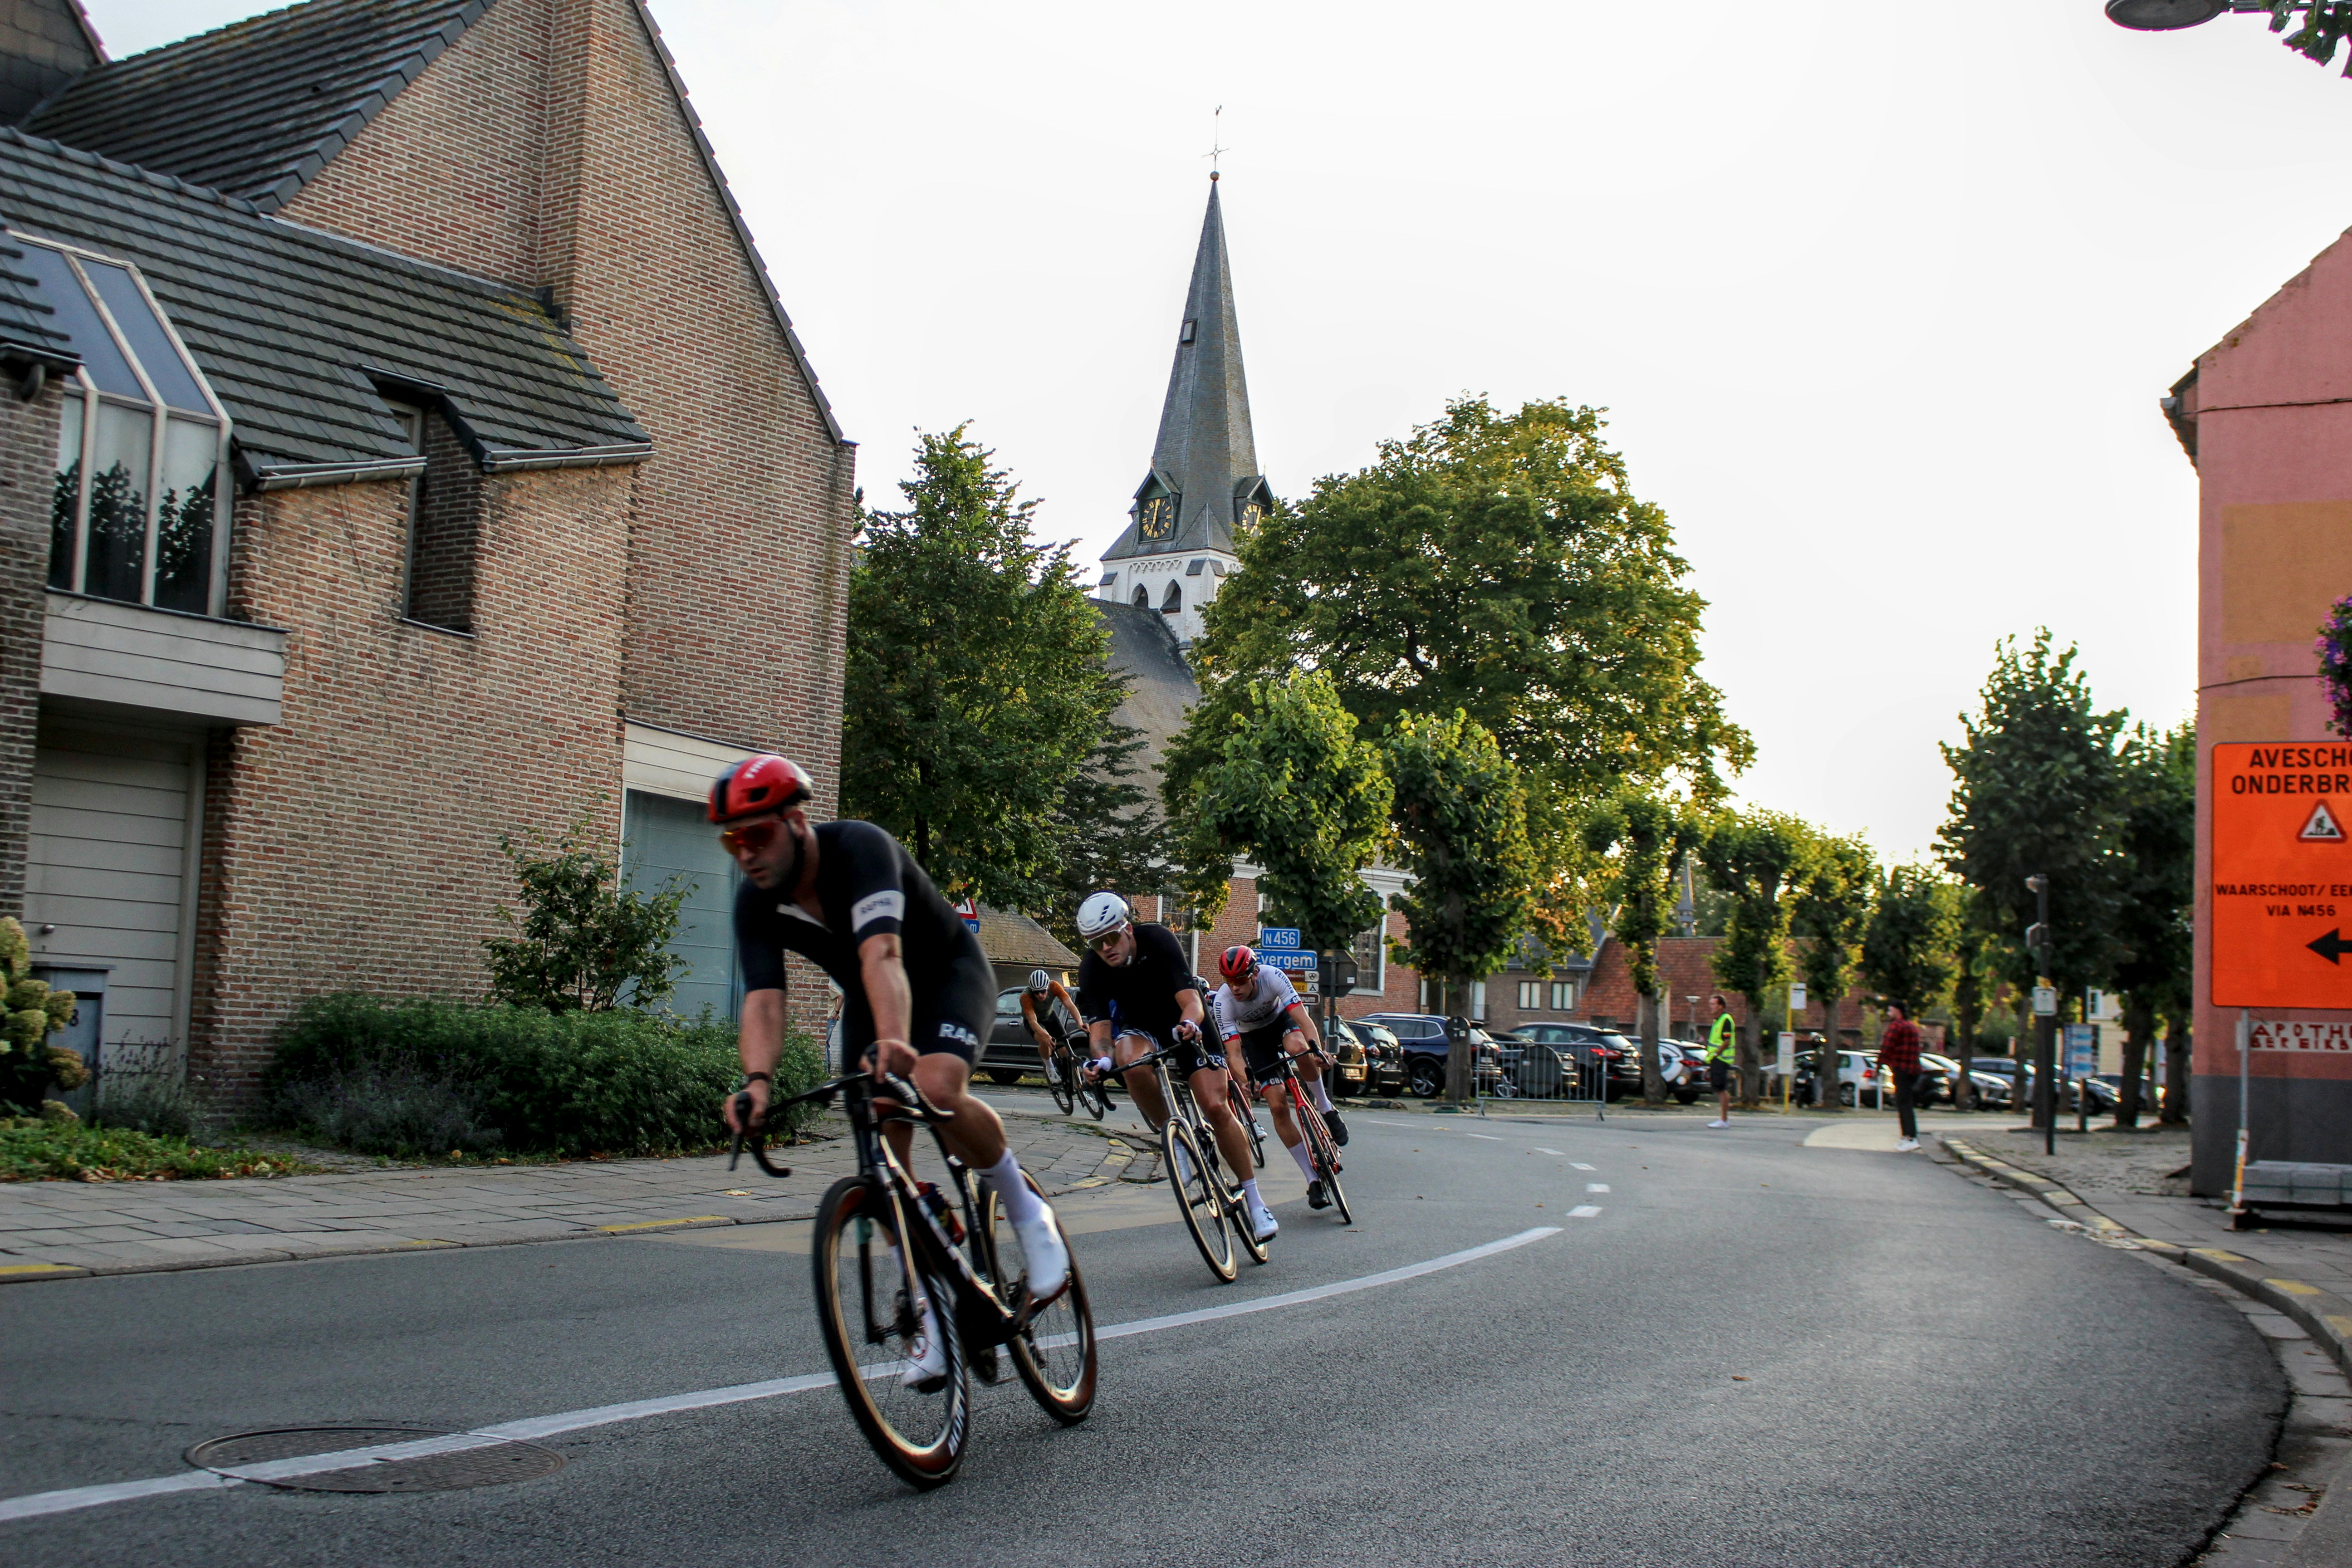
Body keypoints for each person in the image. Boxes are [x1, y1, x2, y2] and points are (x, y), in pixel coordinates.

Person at [713, 755, 1067, 1387]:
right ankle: (932, 1310)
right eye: (733, 840)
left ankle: (1027, 1211)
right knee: (881, 1166)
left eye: (757, 835)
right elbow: (764, 998)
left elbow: (882, 952)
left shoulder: (859, 848)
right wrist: (757, 1083)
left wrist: (899, 1043)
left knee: (930, 1087)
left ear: (796, 822)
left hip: (945, 976)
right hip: (872, 1003)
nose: (747, 853)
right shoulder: (756, 900)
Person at [1073, 892, 1275, 1244]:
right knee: (1128, 1061)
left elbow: (1191, 1001)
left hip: (1186, 1024)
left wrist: (1190, 1025)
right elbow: (1101, 1032)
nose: (1106, 948)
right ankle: (1176, 1139)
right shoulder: (1092, 968)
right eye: (1096, 943)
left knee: (1215, 1106)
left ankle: (1256, 1203)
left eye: (1111, 938)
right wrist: (1100, 1061)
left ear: (1129, 930)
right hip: (1142, 1028)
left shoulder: (1159, 940)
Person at [1210, 945, 1348, 1209]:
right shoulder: (1224, 1002)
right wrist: (1246, 1079)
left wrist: (1317, 1051)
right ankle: (1312, 1180)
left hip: (1281, 1023)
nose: (1235, 987)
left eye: (1240, 980)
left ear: (1254, 974)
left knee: (1299, 1049)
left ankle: (1325, 1106)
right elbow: (1235, 1055)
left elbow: (1303, 1019)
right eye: (1229, 981)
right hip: (1254, 1040)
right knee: (1277, 1106)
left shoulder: (1272, 976)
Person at [1877, 1001, 1926, 1152]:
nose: (1888, 1014)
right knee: (1906, 1102)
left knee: (1903, 1103)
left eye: (1890, 1011)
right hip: (1913, 1070)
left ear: (1898, 1011)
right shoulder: (1912, 1027)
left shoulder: (1897, 1026)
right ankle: (1907, 1137)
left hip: (1901, 1069)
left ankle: (1910, 1137)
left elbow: (1887, 1046)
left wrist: (1879, 1065)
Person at [1019, 968, 1083, 1084]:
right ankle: (1049, 1067)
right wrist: (1045, 1035)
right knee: (1045, 1040)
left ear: (1048, 987)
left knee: (1066, 1051)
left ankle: (1077, 1086)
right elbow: (1033, 1022)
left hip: (1050, 1017)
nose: (1040, 995)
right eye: (1036, 992)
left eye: (1043, 991)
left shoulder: (1055, 986)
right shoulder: (1026, 997)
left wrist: (1080, 1022)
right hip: (1035, 1021)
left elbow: (1070, 1005)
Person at [1705, 994, 1736, 1129]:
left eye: (1714, 1004)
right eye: (1710, 1004)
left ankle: (1724, 1120)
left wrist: (1717, 1054)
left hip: (1721, 1059)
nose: (1711, 1007)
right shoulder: (1717, 1021)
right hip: (1716, 1059)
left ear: (1721, 1006)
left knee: (1721, 1088)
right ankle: (1724, 1119)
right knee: (1719, 1088)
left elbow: (1727, 1041)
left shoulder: (1726, 1020)